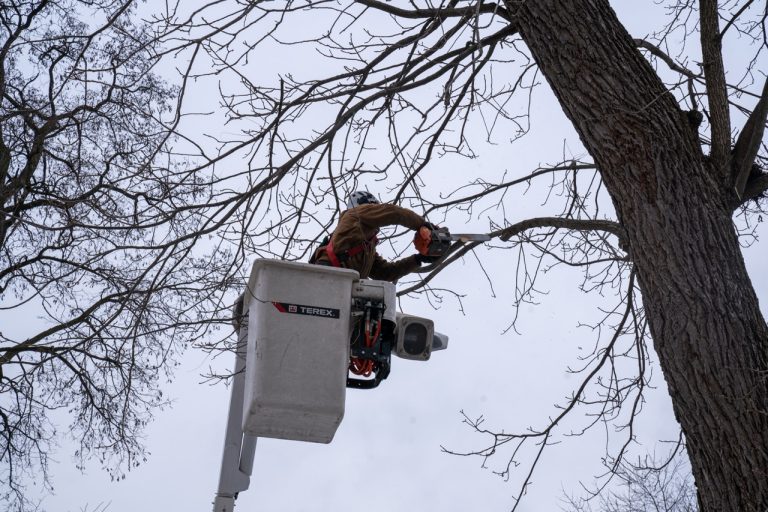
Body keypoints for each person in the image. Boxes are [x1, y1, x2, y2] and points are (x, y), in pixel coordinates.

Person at [310, 191, 439, 282]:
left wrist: (417, 259)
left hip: (343, 283)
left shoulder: (364, 247)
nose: (375, 210)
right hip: (328, 274)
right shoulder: (356, 213)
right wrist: (423, 224)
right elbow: (393, 213)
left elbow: (385, 273)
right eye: (373, 207)